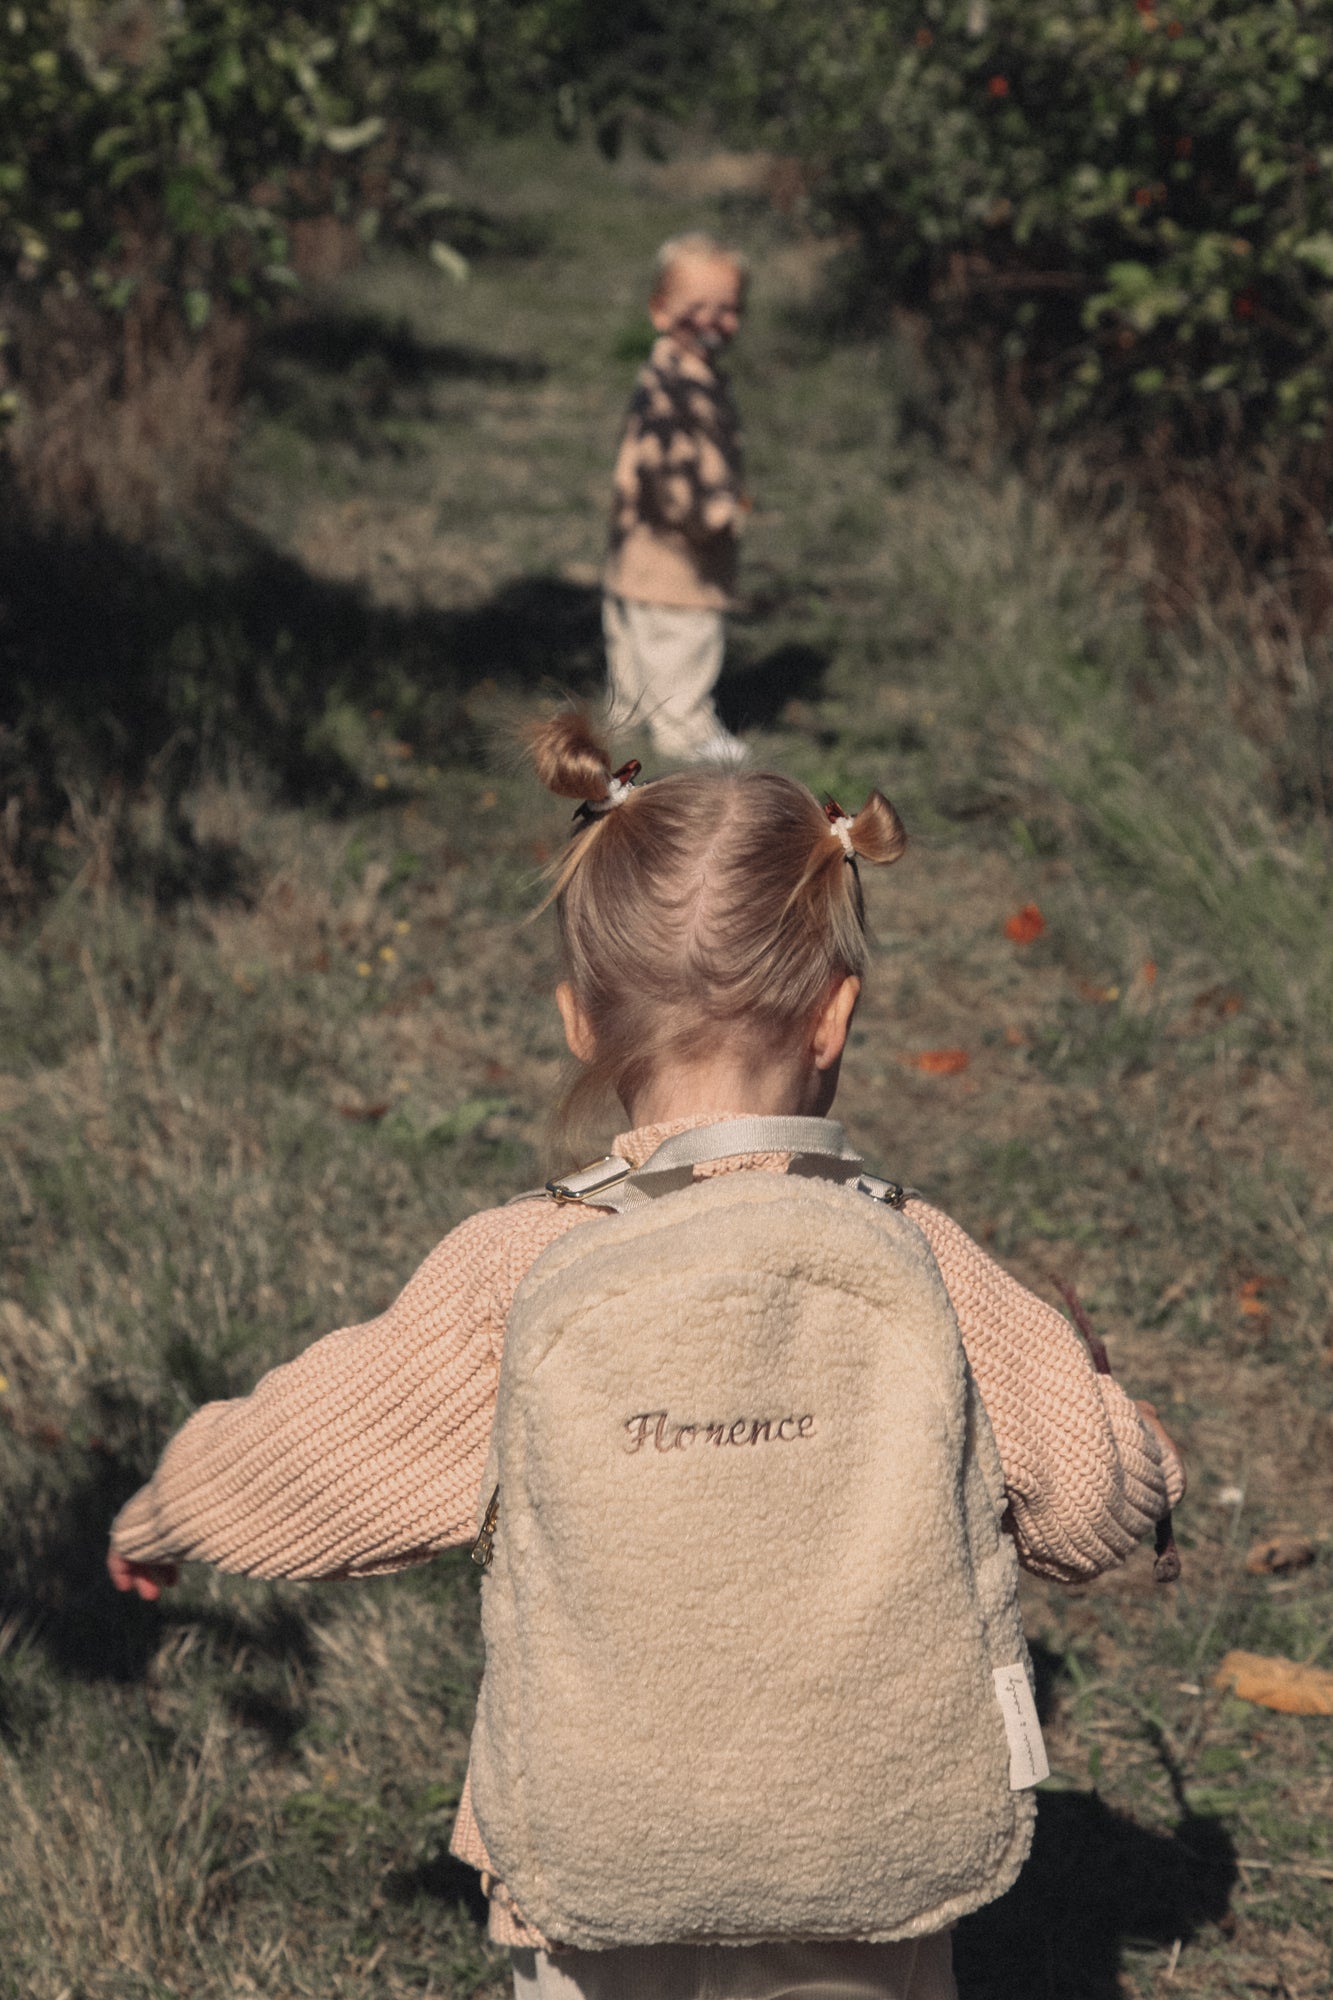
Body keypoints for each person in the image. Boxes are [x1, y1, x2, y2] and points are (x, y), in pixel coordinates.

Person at [109, 711, 1185, 2000]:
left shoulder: (514, 1270)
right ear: (834, 1016)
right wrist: (1146, 1457)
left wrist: (170, 1506)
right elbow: (1086, 1498)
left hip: (596, 1850)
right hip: (865, 1847)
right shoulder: (925, 1260)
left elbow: (315, 1452)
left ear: (580, 1022)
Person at [602, 233, 750, 766]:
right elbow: (669, 474)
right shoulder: (677, 390)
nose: (715, 322)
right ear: (661, 312)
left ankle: (629, 719)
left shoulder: (672, 371)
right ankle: (686, 736)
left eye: (729, 310)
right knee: (682, 642)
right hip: (680, 556)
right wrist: (713, 516)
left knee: (638, 641)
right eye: (698, 309)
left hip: (636, 552)